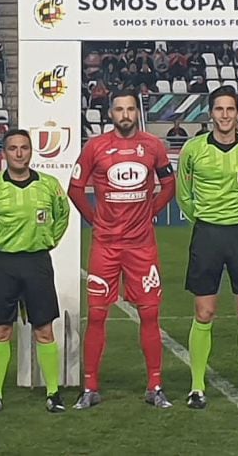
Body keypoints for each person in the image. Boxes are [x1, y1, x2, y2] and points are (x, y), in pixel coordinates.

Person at [68, 89, 177, 409]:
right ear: (110, 113)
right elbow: (75, 188)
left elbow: (169, 185)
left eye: (130, 109)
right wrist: (95, 220)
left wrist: (151, 211)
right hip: (106, 246)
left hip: (142, 247)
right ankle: (90, 388)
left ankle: (155, 386)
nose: (125, 114)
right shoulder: (95, 147)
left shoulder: (153, 146)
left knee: (150, 315)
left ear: (136, 113)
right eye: (119, 109)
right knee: (97, 315)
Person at [176, 86, 238, 409]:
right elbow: (184, 193)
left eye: (231, 109)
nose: (225, 115)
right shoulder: (193, 150)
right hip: (207, 235)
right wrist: (203, 219)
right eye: (219, 109)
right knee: (205, 312)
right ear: (211, 113)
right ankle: (197, 386)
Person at [0, 129, 70, 415]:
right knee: (1, 329)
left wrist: (48, 239)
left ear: (31, 151)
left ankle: (53, 393)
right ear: (4, 152)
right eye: (13, 148)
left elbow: (62, 215)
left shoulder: (49, 185)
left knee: (44, 328)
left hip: (37, 263)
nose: (19, 153)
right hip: (3, 263)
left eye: (24, 148)